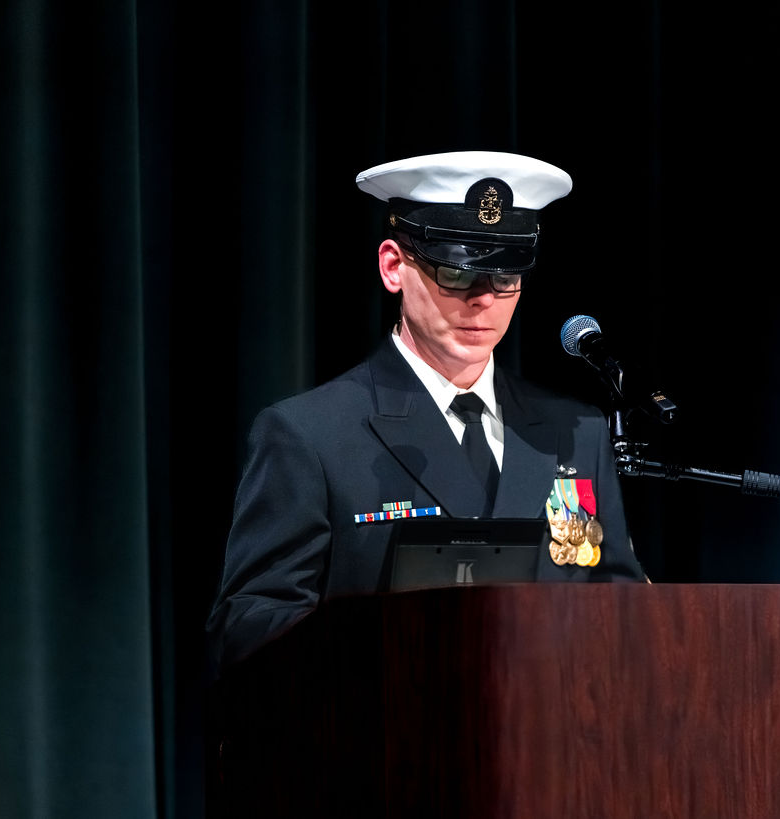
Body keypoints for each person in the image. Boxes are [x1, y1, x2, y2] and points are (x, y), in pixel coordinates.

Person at [206, 150, 646, 675]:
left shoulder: (577, 431)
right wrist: (393, 642)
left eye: (505, 275)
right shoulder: (311, 436)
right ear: (394, 266)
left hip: (550, 722)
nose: (483, 299)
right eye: (457, 273)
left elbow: (626, 614)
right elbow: (248, 626)